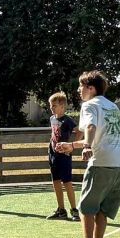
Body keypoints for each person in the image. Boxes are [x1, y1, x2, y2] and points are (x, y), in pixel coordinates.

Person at [70, 71, 120, 238]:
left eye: (81, 86)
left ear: (91, 88)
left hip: (101, 161)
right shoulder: (112, 106)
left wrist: (86, 146)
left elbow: (91, 127)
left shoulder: (89, 105)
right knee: (102, 210)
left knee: (86, 208)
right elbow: (106, 135)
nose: (79, 90)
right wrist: (73, 145)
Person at [45, 92, 81, 221]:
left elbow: (80, 131)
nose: (51, 108)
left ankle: (74, 210)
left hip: (64, 155)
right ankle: (61, 210)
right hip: (53, 154)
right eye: (51, 105)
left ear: (62, 106)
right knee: (56, 181)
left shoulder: (67, 120)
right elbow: (54, 134)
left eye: (54, 105)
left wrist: (72, 146)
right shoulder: (52, 119)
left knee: (67, 182)